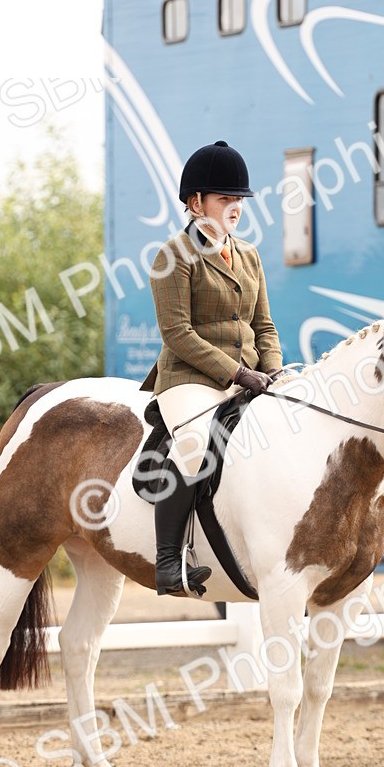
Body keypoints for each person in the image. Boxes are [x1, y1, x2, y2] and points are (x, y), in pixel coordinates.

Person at [141, 140, 284, 597]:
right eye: (225, 199)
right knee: (193, 444)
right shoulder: (172, 257)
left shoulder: (249, 255)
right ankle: (168, 562)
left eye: (239, 200)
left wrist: (275, 370)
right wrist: (240, 375)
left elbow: (264, 325)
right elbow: (178, 335)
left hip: (252, 375)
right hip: (190, 378)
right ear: (195, 202)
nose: (235, 207)